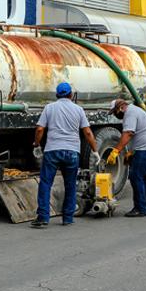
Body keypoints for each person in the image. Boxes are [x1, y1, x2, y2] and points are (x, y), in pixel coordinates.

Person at [32, 82, 99, 228]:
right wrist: (95, 151)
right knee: (70, 185)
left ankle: (43, 217)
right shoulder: (78, 109)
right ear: (71, 94)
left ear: (57, 95)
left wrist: (37, 145)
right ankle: (68, 218)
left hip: (52, 151)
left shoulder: (49, 108)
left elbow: (39, 129)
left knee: (45, 184)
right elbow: (87, 132)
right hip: (72, 152)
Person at [106, 99, 146, 217]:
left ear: (121, 107)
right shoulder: (135, 111)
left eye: (115, 112)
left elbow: (128, 133)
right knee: (145, 178)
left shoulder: (130, 113)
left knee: (136, 177)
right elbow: (136, 134)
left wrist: (116, 151)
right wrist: (131, 152)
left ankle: (140, 208)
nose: (116, 115)